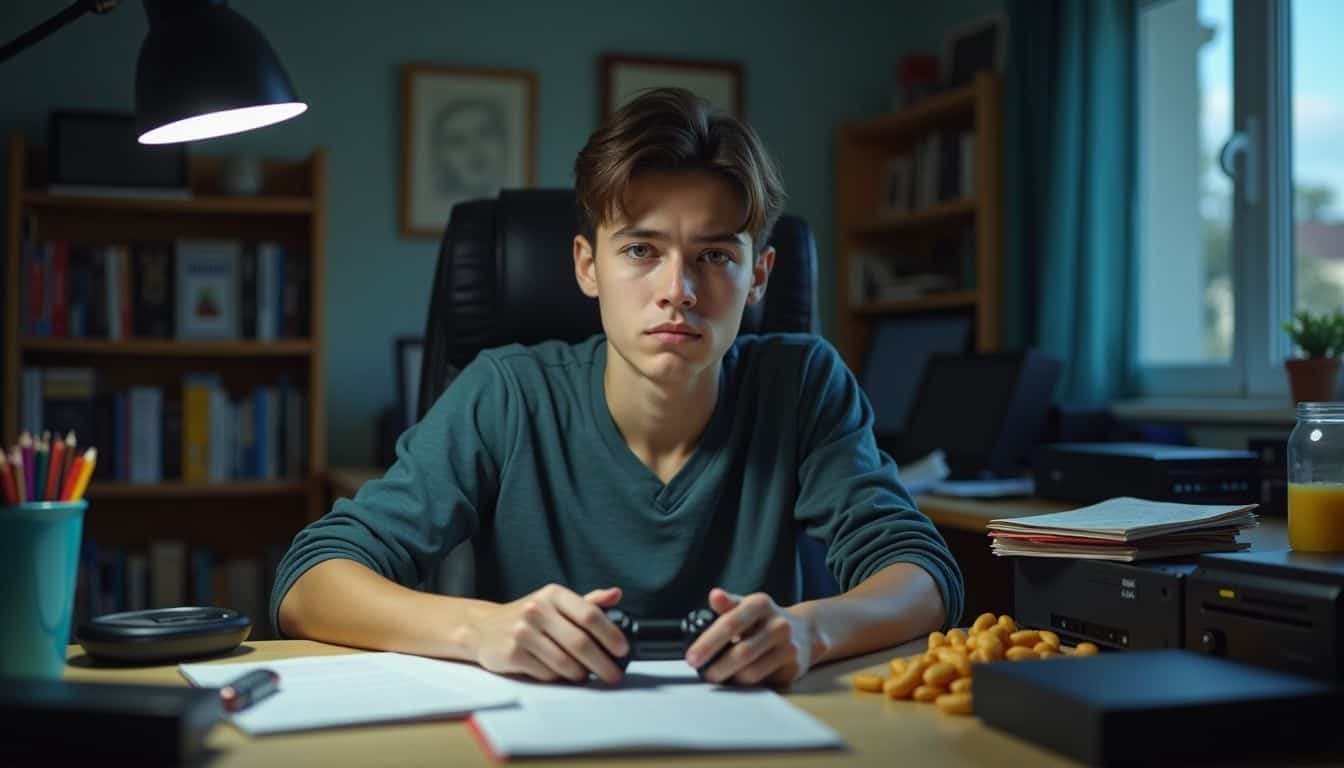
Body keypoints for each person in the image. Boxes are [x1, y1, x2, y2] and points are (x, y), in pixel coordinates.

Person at [273, 87, 963, 688]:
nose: (678, 293)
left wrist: (813, 632)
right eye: (641, 250)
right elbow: (310, 578)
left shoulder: (802, 383)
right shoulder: (505, 394)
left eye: (715, 256)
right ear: (587, 265)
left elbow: (924, 573)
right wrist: (475, 631)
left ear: (759, 276)